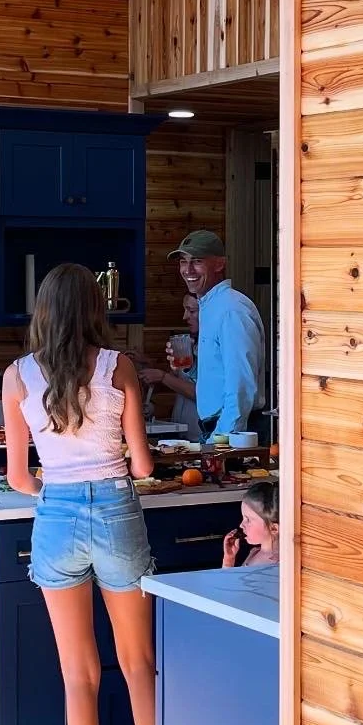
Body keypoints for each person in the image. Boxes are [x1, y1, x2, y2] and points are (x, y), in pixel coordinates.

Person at [2, 264, 157, 725]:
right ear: (96, 308)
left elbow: (19, 477)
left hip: (58, 516)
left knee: (78, 673)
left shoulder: (17, 378)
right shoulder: (118, 367)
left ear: (42, 312)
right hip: (118, 509)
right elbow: (141, 466)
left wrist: (59, 491)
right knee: (139, 663)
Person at [168, 228, 265, 439]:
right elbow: (219, 374)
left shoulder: (231, 309)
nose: (188, 270)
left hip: (232, 433)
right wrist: (192, 368)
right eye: (183, 262)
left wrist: (221, 441)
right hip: (216, 429)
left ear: (220, 264)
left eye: (197, 261)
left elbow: (242, 384)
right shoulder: (209, 306)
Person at [136, 291, 200, 428]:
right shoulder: (189, 344)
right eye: (185, 310)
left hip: (200, 430)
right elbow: (181, 381)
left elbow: (199, 393)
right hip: (182, 427)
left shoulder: (212, 350)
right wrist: (151, 365)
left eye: (192, 311)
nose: (185, 316)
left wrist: (163, 377)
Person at [222, 480, 280, 568]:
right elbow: (229, 581)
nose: (241, 525)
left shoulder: (280, 565)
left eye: (248, 519)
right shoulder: (254, 553)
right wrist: (229, 560)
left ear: (274, 528)